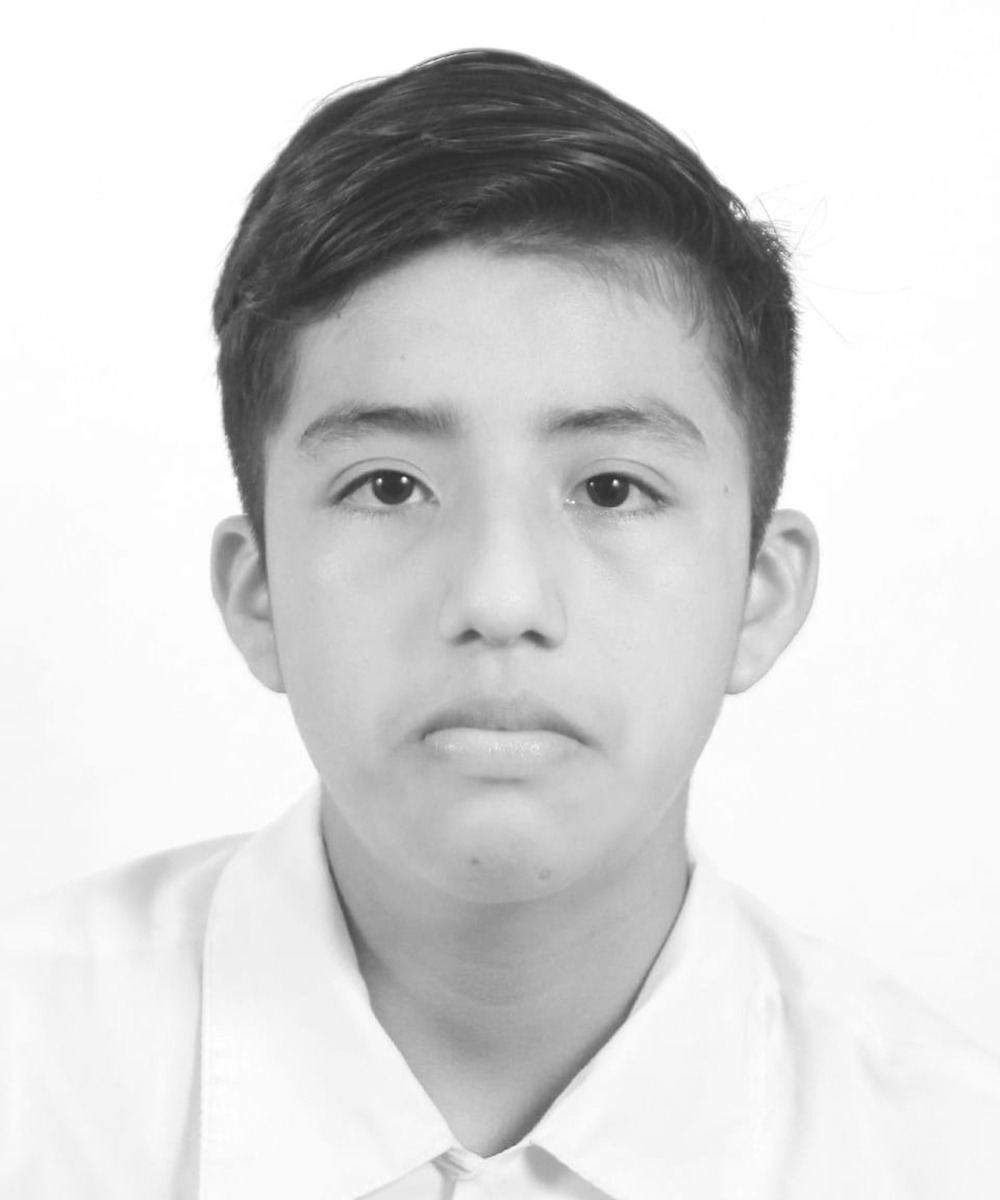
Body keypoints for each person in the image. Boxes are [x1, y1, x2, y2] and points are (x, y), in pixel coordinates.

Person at [2, 47, 998, 1199]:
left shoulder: (947, 1154)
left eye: (612, 488)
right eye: (388, 486)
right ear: (257, 588)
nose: (499, 598)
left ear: (758, 593)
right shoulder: (35, 1085)